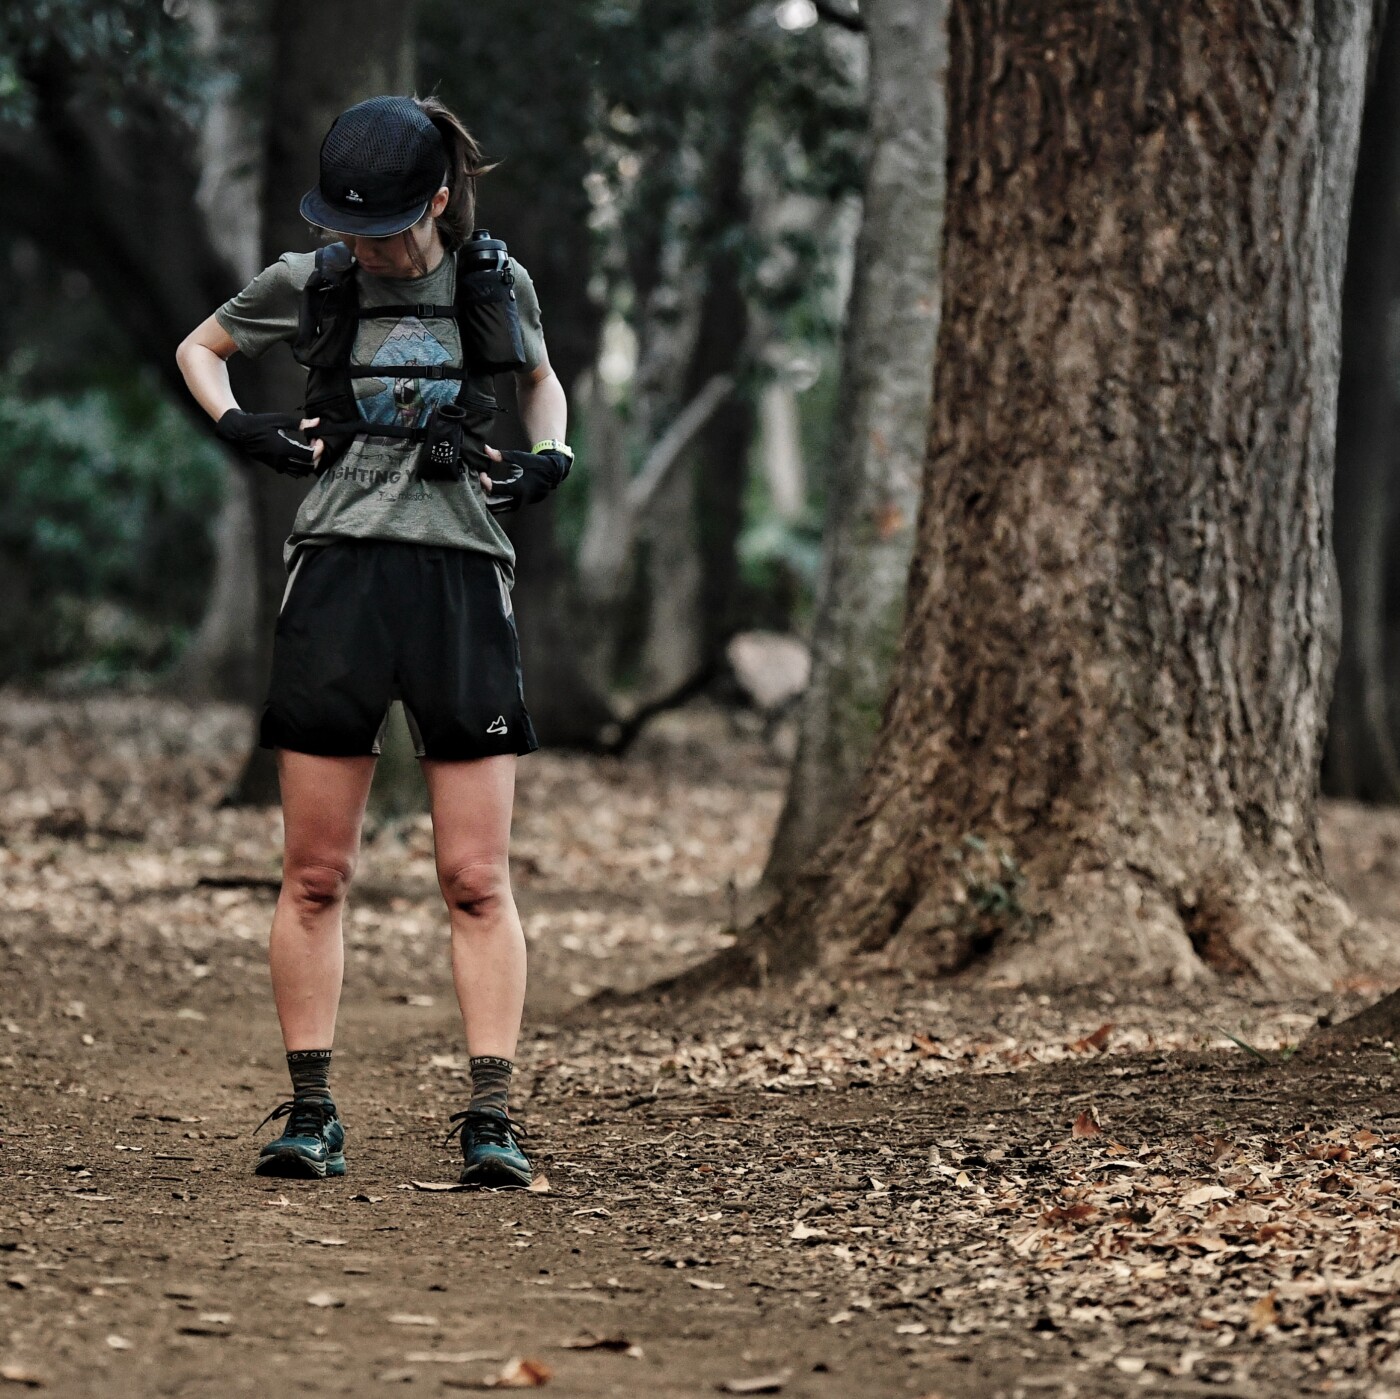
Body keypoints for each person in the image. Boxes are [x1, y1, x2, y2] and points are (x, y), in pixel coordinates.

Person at [175, 94, 573, 1189]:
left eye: (388, 222)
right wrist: (239, 425)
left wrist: (553, 456)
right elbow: (199, 348)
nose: (367, 244)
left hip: (460, 581)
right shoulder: (312, 283)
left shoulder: (493, 281)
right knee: (314, 871)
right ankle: (311, 1113)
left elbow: (539, 379)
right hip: (337, 580)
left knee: (475, 875)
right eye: (347, 224)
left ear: (438, 198)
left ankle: (490, 1118)